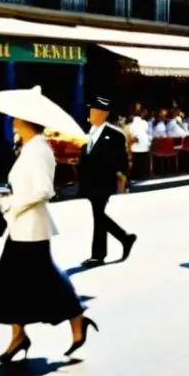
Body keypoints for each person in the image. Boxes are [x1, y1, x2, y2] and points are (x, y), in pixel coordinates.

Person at [0, 87, 98, 362]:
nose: (12, 121)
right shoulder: (30, 148)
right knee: (10, 284)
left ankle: (75, 318)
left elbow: (44, 190)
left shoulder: (37, 150)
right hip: (22, 227)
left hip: (31, 228)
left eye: (15, 119)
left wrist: (10, 204)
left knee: (45, 281)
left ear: (25, 122)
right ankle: (18, 335)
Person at [78, 96, 136, 267]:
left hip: (105, 180)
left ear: (104, 114)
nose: (92, 114)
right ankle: (124, 239)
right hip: (89, 180)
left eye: (96, 111)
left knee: (98, 215)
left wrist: (123, 180)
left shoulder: (114, 134)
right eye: (91, 110)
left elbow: (122, 160)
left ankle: (99, 254)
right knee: (99, 216)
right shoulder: (88, 132)